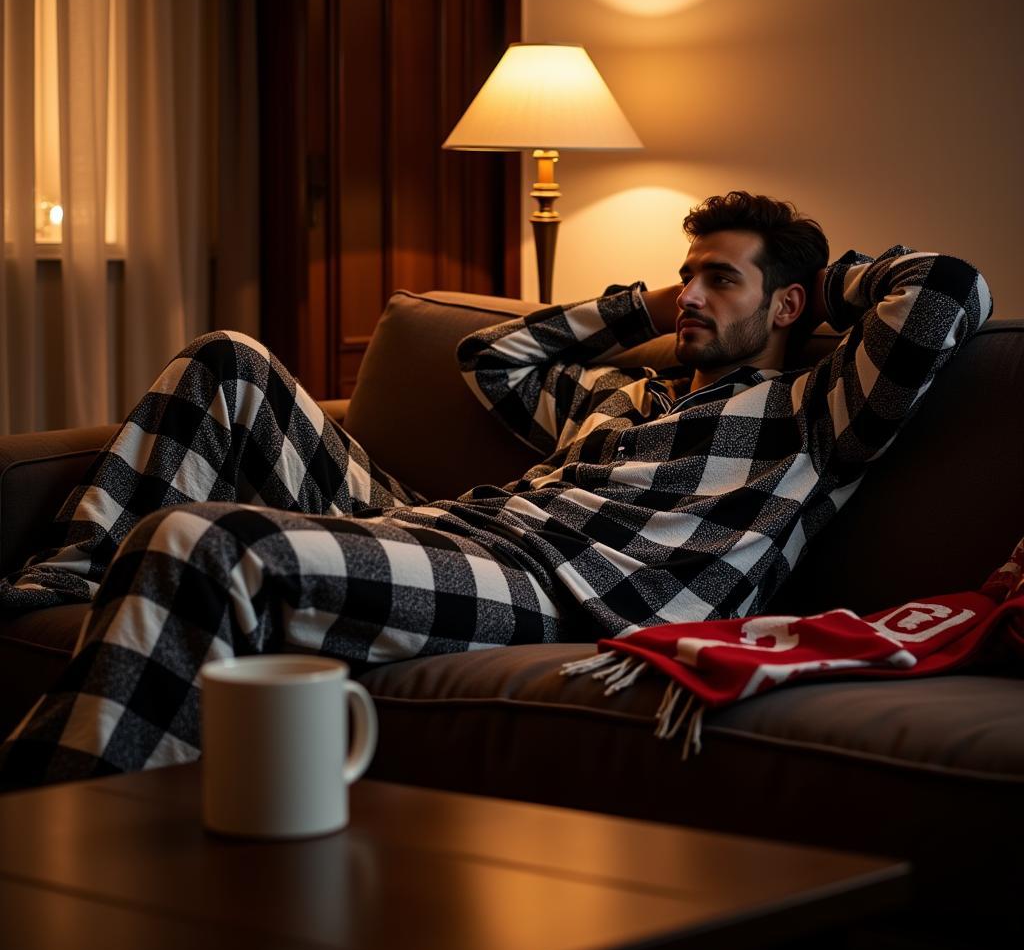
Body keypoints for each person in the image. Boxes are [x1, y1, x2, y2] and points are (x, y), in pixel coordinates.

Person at [0, 191, 992, 787]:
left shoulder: (815, 413)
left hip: (562, 593)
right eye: (684, 274)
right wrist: (646, 305)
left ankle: (63, 843)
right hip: (455, 536)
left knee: (198, 543)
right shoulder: (624, 392)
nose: (690, 294)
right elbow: (493, 359)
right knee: (227, 362)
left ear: (785, 302)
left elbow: (945, 289)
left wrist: (826, 288)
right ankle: (69, 576)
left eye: (718, 280)